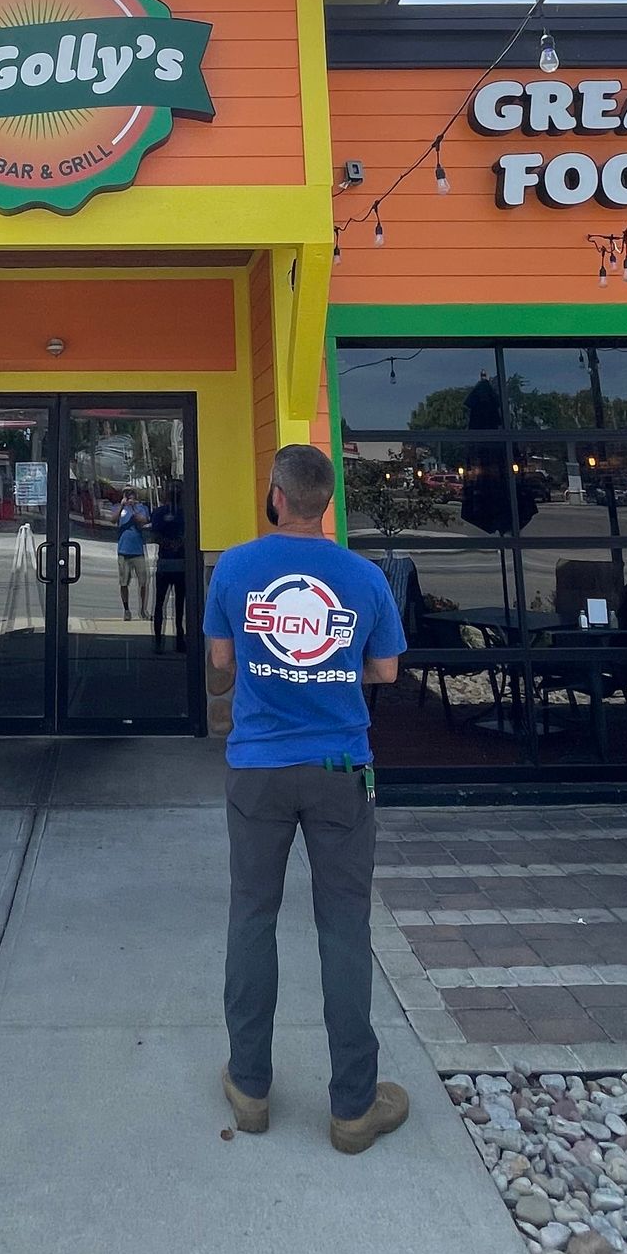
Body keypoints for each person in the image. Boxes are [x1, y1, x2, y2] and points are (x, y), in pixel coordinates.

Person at [203, 442, 409, 1154]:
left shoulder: (234, 567)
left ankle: (251, 1087)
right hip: (340, 768)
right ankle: (354, 1106)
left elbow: (222, 661)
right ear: (325, 504)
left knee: (252, 917)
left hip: (258, 769)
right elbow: (384, 667)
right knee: (344, 929)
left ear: (276, 495)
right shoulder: (364, 576)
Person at [150, 481, 187, 649]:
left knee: (164, 603)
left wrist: (170, 543)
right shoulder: (185, 513)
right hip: (172, 561)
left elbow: (155, 535)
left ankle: (163, 641)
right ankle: (173, 640)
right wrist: (176, 543)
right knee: (174, 604)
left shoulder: (160, 512)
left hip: (172, 562)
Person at [115, 491, 151, 619]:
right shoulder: (120, 508)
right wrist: (121, 506)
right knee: (123, 582)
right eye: (126, 494)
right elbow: (113, 520)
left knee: (143, 582)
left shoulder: (141, 508)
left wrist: (133, 508)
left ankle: (142, 610)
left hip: (138, 551)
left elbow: (143, 520)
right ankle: (126, 610)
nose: (129, 497)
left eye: (131, 495)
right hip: (123, 551)